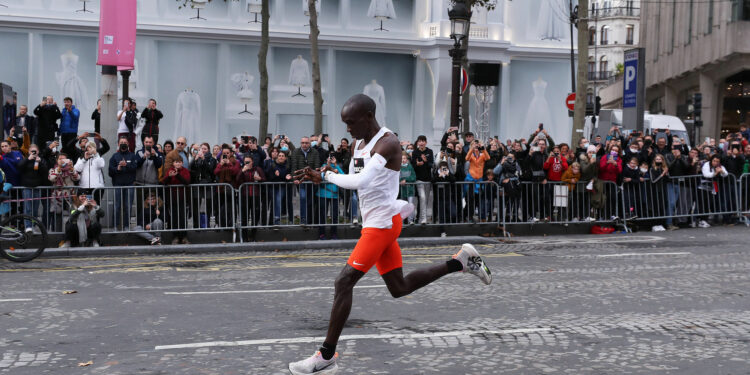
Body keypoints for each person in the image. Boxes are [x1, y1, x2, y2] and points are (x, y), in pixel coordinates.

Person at [289, 94, 491, 374]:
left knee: (343, 282)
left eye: (350, 122)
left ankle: (325, 356)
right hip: (376, 221)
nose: (347, 129)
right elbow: (357, 179)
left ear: (368, 116)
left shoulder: (388, 143)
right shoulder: (360, 142)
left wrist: (326, 177)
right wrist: (330, 171)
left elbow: (361, 180)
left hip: (381, 224)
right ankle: (461, 261)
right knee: (400, 288)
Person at [108, 137, 138, 230]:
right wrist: (117, 168)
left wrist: (127, 165)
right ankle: (115, 226)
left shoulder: (132, 156)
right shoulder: (114, 156)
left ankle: (126, 226)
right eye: (121, 142)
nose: (123, 144)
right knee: (116, 206)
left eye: (125, 142)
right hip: (117, 184)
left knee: (128, 206)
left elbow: (135, 168)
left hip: (129, 184)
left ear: (128, 144)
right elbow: (110, 172)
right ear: (118, 144)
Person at [17, 144, 48, 232]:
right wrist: (28, 159)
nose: (34, 153)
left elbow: (45, 171)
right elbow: (19, 167)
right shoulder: (25, 159)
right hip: (26, 187)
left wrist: (40, 162)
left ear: (38, 151)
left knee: (35, 209)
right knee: (28, 208)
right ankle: (28, 227)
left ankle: (33, 225)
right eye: (32, 151)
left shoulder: (40, 160)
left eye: (35, 151)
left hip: (37, 187)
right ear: (29, 152)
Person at [291, 137, 321, 225]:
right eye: (303, 143)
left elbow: (317, 166)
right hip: (301, 181)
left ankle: (310, 220)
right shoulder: (296, 152)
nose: (304, 144)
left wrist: (312, 176)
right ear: (300, 143)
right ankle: (303, 219)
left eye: (306, 143)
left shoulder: (314, 152)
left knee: (311, 201)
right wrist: (295, 179)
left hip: (311, 181)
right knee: (303, 198)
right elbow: (294, 167)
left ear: (309, 144)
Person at [236, 155, 266, 241]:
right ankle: (244, 237)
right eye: (245, 162)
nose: (247, 163)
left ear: (252, 162)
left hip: (255, 196)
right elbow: (237, 180)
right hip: (244, 196)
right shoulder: (242, 169)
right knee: (244, 217)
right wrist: (242, 171)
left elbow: (264, 179)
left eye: (248, 162)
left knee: (255, 217)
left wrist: (259, 179)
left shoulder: (257, 169)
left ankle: (253, 235)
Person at [161, 158, 191, 244]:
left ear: (182, 163)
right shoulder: (170, 170)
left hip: (182, 198)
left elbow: (187, 182)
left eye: (179, 162)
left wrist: (177, 175)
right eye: (176, 162)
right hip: (172, 198)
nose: (178, 164)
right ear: (173, 163)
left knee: (183, 218)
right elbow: (164, 182)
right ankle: (176, 237)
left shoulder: (185, 171)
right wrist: (169, 177)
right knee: (174, 218)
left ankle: (184, 237)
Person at [48, 153, 80, 233]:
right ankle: (57, 234)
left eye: (64, 159)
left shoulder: (71, 169)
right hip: (57, 197)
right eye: (60, 159)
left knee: (73, 214)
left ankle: (72, 233)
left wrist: (72, 168)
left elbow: (77, 178)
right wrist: (59, 168)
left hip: (70, 196)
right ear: (56, 160)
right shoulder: (52, 169)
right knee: (57, 215)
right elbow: (52, 178)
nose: (62, 161)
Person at [189, 143, 216, 229]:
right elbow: (190, 169)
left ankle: (207, 225)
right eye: (202, 149)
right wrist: (194, 159)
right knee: (196, 206)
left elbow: (211, 171)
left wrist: (204, 160)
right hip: (197, 184)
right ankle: (196, 226)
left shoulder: (212, 159)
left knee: (208, 207)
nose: (203, 150)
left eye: (205, 149)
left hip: (207, 185)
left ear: (208, 150)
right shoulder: (197, 158)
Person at [316, 155, 344, 240]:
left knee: (334, 215)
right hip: (322, 194)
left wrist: (336, 165)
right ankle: (321, 234)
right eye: (329, 158)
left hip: (334, 195)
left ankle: (334, 233)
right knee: (322, 215)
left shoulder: (336, 167)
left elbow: (343, 176)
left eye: (332, 158)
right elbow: (321, 177)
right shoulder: (323, 166)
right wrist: (327, 166)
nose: (330, 160)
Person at [214, 145, 241, 228]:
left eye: (227, 153)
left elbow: (235, 172)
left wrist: (229, 164)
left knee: (230, 208)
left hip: (231, 188)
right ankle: (221, 224)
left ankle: (231, 224)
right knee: (220, 207)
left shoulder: (235, 162)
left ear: (231, 153)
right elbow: (215, 172)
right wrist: (220, 164)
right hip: (221, 189)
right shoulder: (220, 162)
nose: (226, 155)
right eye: (224, 153)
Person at [411, 135, 433, 224]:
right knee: (422, 198)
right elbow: (412, 166)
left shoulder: (430, 151)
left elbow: (431, 165)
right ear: (418, 143)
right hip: (419, 179)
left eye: (423, 141)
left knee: (426, 200)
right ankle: (423, 219)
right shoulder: (415, 152)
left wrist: (425, 161)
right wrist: (417, 165)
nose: (421, 143)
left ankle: (421, 218)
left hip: (427, 179)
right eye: (420, 141)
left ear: (426, 142)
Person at [398, 152, 417, 224]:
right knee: (402, 206)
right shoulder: (398, 168)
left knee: (410, 205)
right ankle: (402, 221)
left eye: (404, 158)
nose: (403, 160)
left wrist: (406, 180)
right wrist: (401, 181)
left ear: (407, 159)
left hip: (410, 190)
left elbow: (413, 177)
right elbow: (397, 177)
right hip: (402, 190)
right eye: (402, 158)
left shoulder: (410, 167)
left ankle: (410, 220)